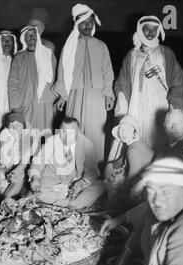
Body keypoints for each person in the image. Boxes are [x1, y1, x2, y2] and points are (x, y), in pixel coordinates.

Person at [53, 4, 114, 171]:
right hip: (75, 94)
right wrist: (62, 96)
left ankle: (94, 171)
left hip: (96, 96)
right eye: (84, 23)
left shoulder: (101, 46)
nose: (87, 26)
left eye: (90, 22)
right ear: (77, 25)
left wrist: (108, 94)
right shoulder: (69, 46)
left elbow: (107, 72)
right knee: (73, 131)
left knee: (95, 133)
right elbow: (62, 71)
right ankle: (71, 168)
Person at [114, 16, 183, 151]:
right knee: (137, 141)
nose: (151, 33)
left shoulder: (166, 53)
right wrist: (122, 102)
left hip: (160, 105)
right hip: (136, 105)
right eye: (147, 29)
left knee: (159, 138)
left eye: (154, 29)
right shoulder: (132, 55)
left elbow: (178, 81)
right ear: (140, 30)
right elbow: (121, 83)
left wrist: (174, 105)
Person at [29, 117, 104, 210]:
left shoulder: (87, 144)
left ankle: (66, 202)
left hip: (75, 182)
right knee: (40, 191)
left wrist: (82, 183)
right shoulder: (51, 141)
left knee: (100, 186)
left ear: (78, 131)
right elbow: (39, 161)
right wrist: (35, 178)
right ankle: (70, 203)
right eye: (63, 131)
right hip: (52, 181)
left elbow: (92, 170)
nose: (67, 136)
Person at [8, 25, 56, 133]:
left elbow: (56, 77)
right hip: (26, 103)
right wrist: (15, 106)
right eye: (28, 35)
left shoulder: (48, 54)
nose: (32, 38)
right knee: (27, 137)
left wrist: (54, 97)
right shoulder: (19, 57)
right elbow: (13, 83)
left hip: (45, 104)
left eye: (34, 35)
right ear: (23, 39)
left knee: (46, 136)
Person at [105, 115, 154, 207]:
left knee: (113, 186)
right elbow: (119, 164)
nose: (123, 132)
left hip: (147, 191)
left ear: (134, 132)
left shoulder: (133, 150)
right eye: (121, 129)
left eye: (127, 129)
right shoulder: (136, 144)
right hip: (147, 184)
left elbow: (132, 180)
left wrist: (118, 193)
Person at [0, 110, 37, 199]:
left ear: (23, 126)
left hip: (23, 170)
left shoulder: (29, 138)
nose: (15, 128)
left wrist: (13, 172)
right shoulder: (5, 136)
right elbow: (4, 160)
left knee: (8, 195)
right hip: (9, 169)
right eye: (12, 125)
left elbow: (24, 161)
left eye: (18, 125)